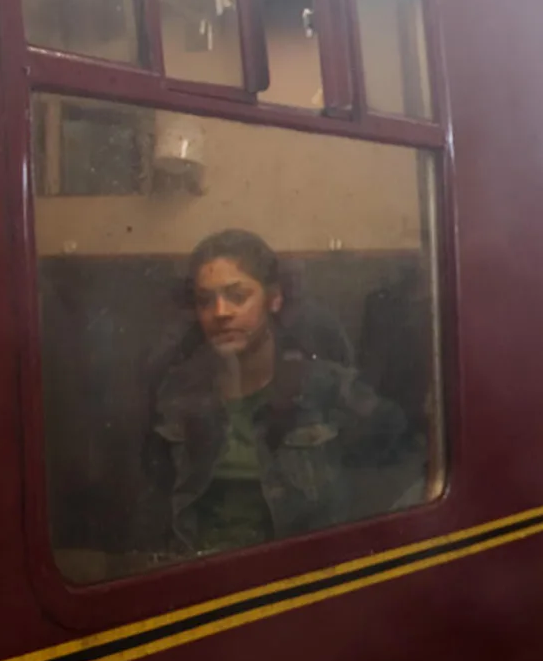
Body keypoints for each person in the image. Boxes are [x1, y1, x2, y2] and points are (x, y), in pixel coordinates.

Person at [148, 229, 406, 556]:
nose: (221, 312)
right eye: (205, 300)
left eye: (238, 295)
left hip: (297, 579)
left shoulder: (326, 388)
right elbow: (152, 502)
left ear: (274, 298)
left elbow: (397, 459)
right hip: (197, 578)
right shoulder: (177, 393)